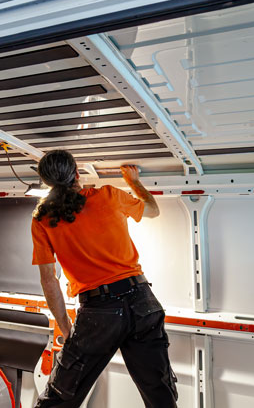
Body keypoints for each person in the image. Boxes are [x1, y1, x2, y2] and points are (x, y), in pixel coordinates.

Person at [30, 149, 178, 408]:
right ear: (76, 173)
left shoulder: (43, 219)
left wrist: (66, 328)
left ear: (47, 183)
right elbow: (152, 210)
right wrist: (134, 182)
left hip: (100, 312)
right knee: (160, 394)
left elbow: (49, 279)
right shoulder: (109, 195)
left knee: (59, 397)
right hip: (143, 301)